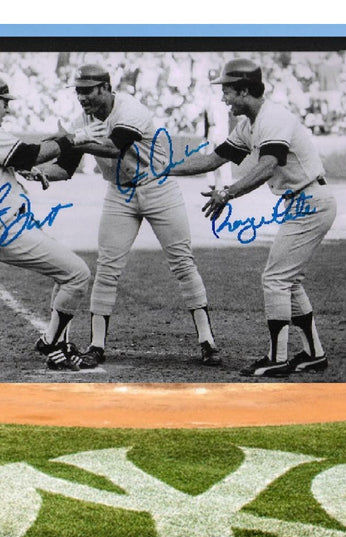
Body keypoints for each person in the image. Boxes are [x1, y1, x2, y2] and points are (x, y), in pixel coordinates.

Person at [42, 63, 222, 369]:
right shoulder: (83, 121)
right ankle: (96, 345)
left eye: (88, 91)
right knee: (107, 266)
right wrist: (37, 172)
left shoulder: (130, 109)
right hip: (119, 191)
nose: (82, 98)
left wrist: (74, 138)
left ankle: (207, 340)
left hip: (158, 185)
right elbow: (65, 168)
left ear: (106, 88)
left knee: (181, 261)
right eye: (79, 91)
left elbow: (114, 147)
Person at [166, 58, 337, 378]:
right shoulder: (249, 125)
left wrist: (228, 192)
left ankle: (277, 357)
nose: (223, 98)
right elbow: (214, 160)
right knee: (289, 280)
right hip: (301, 201)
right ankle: (314, 353)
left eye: (227, 91)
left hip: (311, 200)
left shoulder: (274, 118)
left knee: (275, 279)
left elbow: (269, 164)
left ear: (245, 90)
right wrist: (166, 171)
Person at [0, 75, 91, 371]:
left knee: (66, 274)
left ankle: (56, 342)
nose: (7, 110)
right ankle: (53, 345)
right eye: (4, 103)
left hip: (8, 227)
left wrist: (31, 168)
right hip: (9, 232)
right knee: (78, 274)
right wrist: (73, 139)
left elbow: (22, 160)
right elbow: (32, 154)